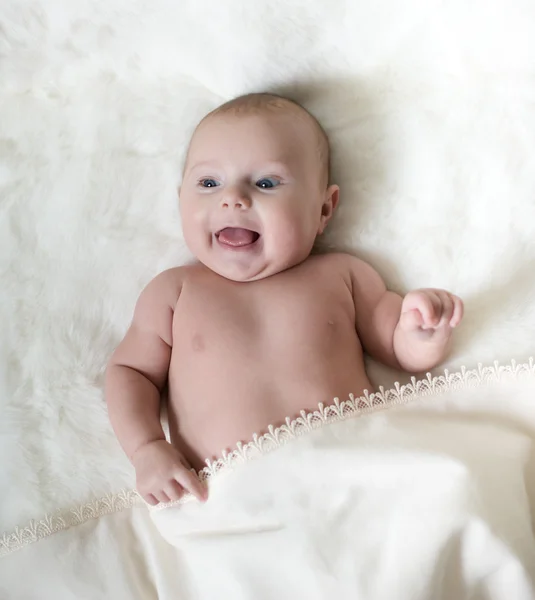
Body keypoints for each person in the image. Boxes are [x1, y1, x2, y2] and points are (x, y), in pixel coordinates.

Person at [105, 93, 464, 507]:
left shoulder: (342, 275)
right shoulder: (174, 292)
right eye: (208, 183)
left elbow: (399, 349)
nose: (233, 198)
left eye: (265, 183)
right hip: (226, 495)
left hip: (355, 475)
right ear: (180, 199)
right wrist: (146, 447)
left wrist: (422, 331)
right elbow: (130, 371)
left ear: (324, 209)